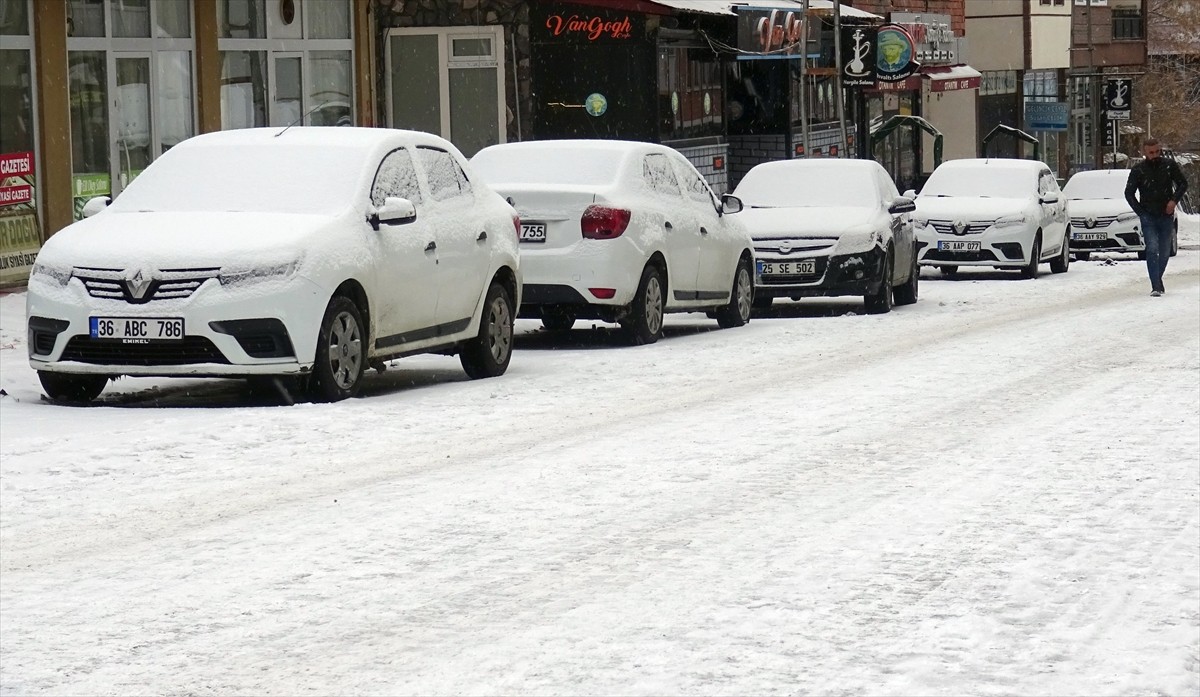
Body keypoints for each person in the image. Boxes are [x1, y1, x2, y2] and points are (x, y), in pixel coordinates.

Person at [1124, 138, 1189, 296]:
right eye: (1151, 152)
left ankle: (1157, 279)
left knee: (1165, 251)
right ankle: (1156, 286)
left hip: (1166, 214)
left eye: (1157, 151)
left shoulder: (1169, 166)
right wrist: (1141, 212)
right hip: (1148, 215)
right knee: (1152, 249)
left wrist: (1173, 201)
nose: (1154, 155)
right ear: (1144, 152)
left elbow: (1182, 183)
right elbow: (1129, 193)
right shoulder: (1139, 170)